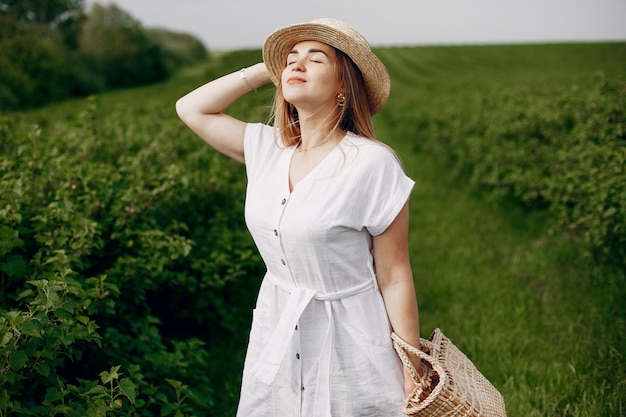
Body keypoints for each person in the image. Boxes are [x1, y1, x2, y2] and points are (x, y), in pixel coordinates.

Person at [176, 18, 421, 417]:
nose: (297, 65)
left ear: (344, 85)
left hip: (351, 337)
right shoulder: (267, 149)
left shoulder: (372, 164)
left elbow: (394, 274)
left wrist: (412, 366)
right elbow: (190, 108)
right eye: (291, 60)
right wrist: (267, 68)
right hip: (278, 323)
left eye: (316, 59)